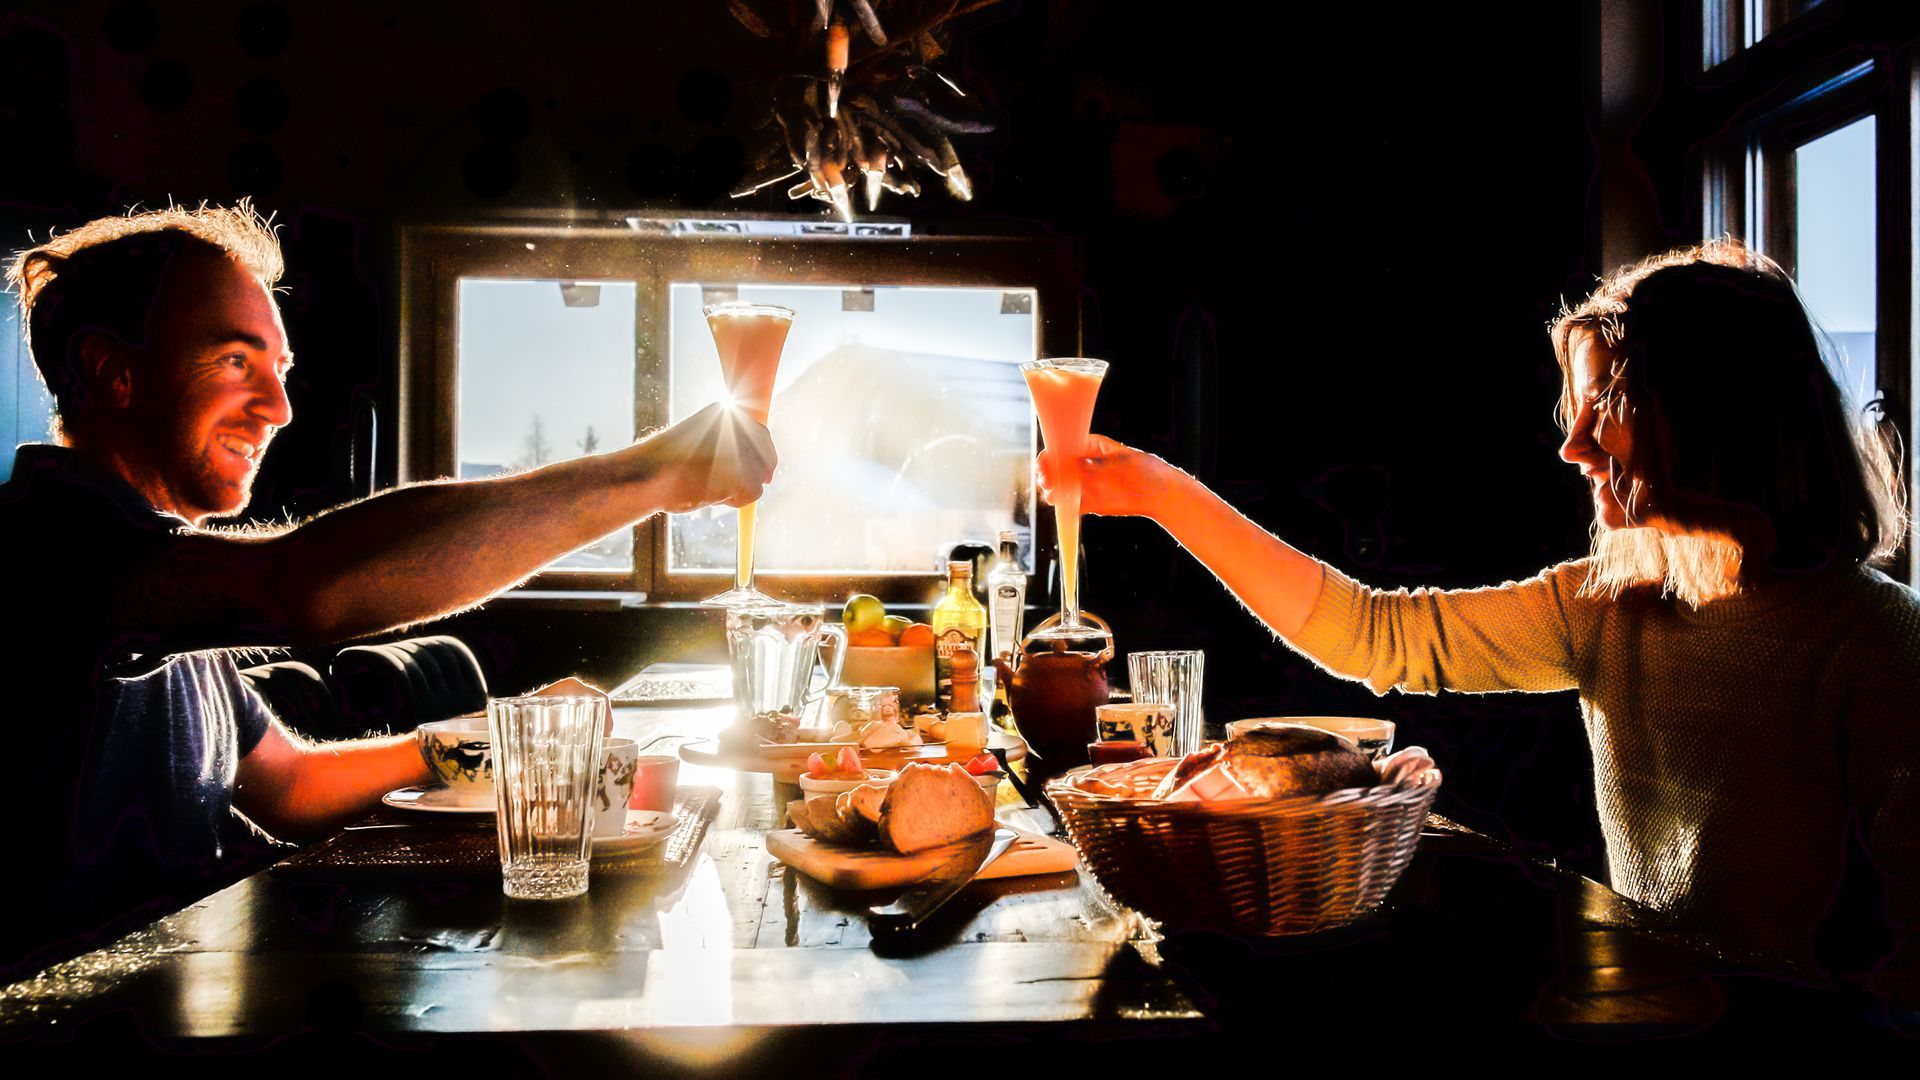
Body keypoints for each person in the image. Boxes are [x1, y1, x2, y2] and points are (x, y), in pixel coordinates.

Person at [1040, 240, 1918, 1003]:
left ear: (1711, 417)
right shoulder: (1605, 604)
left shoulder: (1878, 645)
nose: (1573, 446)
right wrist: (1164, 496)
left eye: (1606, 407)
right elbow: (1372, 635)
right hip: (1655, 1027)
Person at [0, 204, 774, 972]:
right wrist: (652, 474)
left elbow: (290, 784)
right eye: (237, 361)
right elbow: (303, 590)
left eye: (279, 370)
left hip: (158, 998)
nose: (278, 408)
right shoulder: (52, 548)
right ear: (114, 370)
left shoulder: (166, 570)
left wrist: (496, 736)